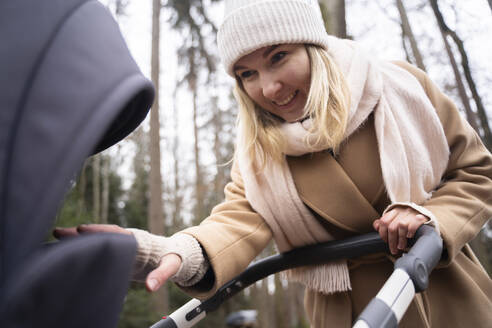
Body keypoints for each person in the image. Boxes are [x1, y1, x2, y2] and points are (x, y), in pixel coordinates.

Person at [54, 0, 492, 326]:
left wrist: (428, 215)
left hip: (444, 292)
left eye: (278, 57)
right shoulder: (260, 154)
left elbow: (476, 172)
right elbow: (236, 223)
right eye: (246, 74)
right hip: (347, 312)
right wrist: (158, 250)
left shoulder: (401, 88)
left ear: (312, 47)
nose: (268, 87)